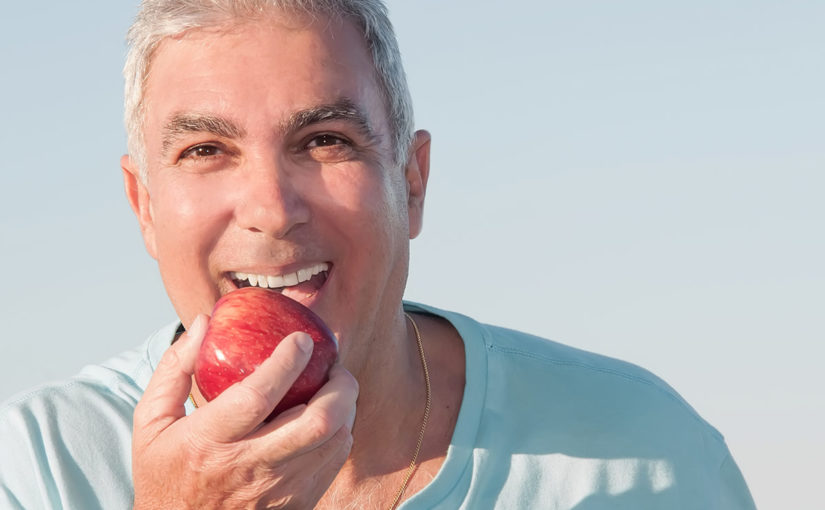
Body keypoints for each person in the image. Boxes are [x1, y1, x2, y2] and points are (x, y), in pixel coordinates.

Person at [0, 0, 757, 508]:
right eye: (205, 149)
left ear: (412, 181)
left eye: (324, 140)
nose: (270, 208)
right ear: (144, 207)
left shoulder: (639, 455)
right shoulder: (35, 471)